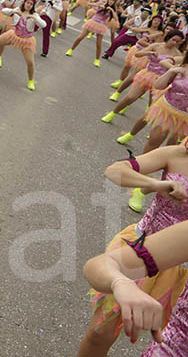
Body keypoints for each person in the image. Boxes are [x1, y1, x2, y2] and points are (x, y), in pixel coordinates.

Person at [79, 145, 188, 356]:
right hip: (141, 250)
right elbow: (114, 171)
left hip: (182, 274)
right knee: (100, 333)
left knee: (170, 339)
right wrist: (155, 183)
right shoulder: (176, 154)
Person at [0, 0, 46, 91]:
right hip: (14, 35)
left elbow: (43, 25)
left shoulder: (34, 15)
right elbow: (4, 11)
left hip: (27, 39)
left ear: (33, 6)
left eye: (31, 4)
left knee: (30, 62)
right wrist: (14, 12)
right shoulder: (18, 10)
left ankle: (31, 80)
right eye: (27, 2)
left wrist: (34, 17)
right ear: (24, 3)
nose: (28, 5)